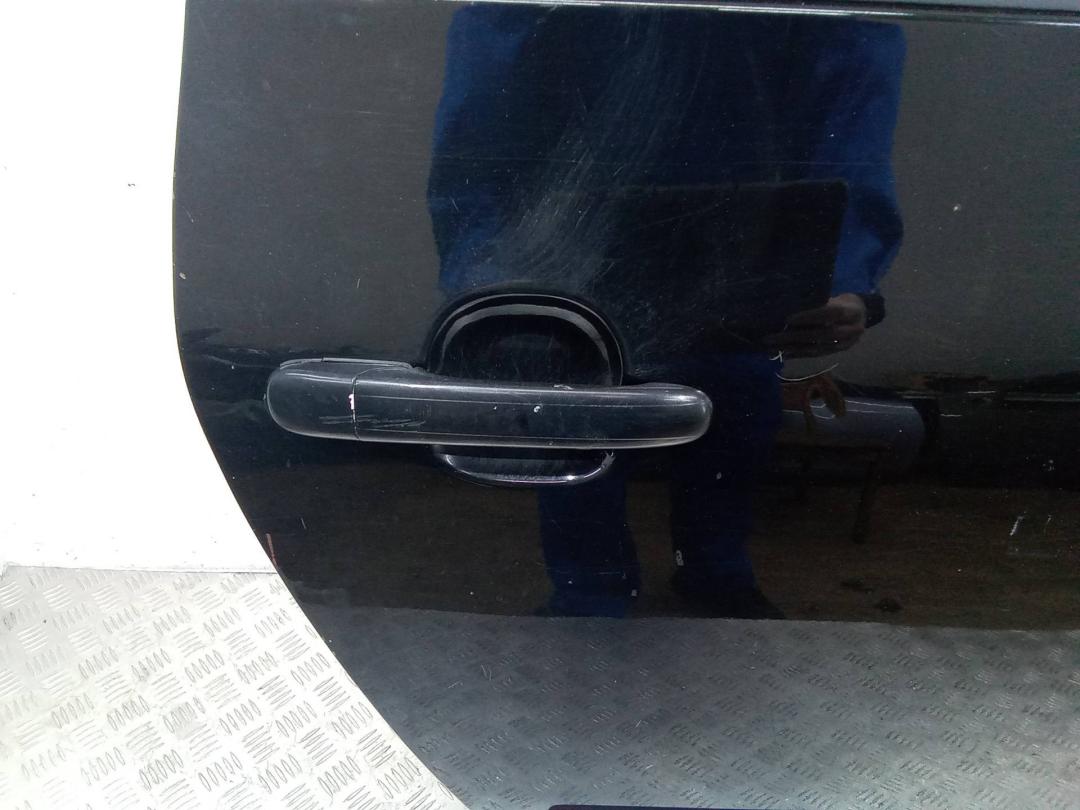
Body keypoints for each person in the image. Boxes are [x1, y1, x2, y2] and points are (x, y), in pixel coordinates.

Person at [427, 6, 905, 618]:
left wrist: (846, 279)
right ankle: (602, 587)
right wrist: (489, 276)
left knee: (726, 406)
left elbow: (852, 96)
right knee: (576, 410)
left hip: (727, 247)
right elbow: (482, 117)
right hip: (587, 244)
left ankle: (694, 576)